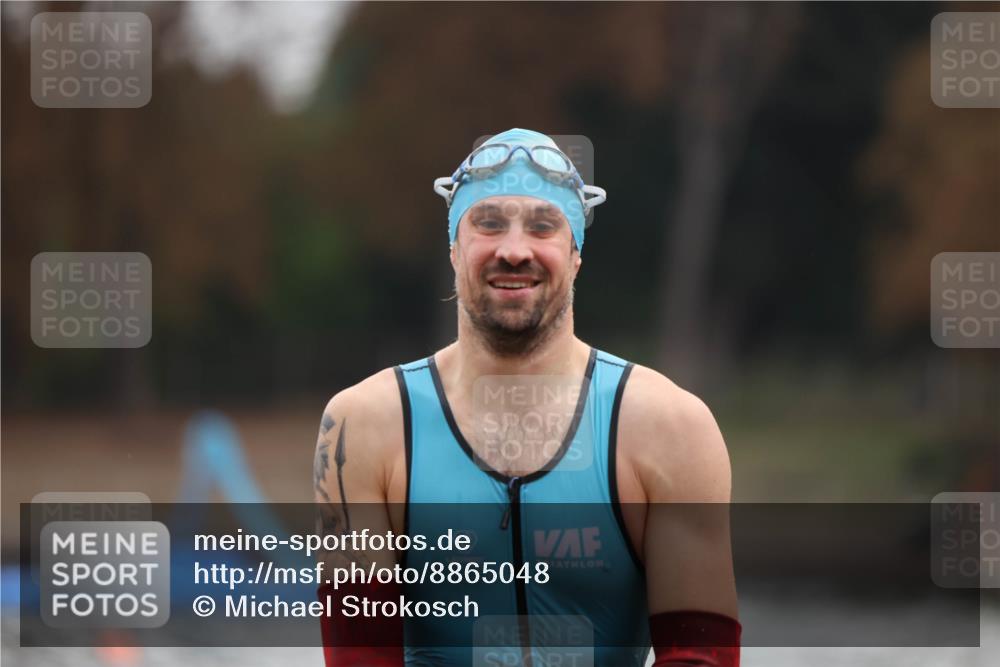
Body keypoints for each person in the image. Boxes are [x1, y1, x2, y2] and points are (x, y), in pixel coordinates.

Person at [314, 128, 740, 666]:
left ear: (576, 252)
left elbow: (702, 657)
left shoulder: (671, 427)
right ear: (454, 248)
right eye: (488, 223)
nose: (514, 251)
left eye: (543, 226)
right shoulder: (363, 427)